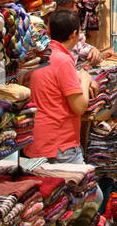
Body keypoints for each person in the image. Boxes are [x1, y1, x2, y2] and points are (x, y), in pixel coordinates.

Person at [28, 8, 90, 163]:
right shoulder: (62, 60)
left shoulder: (42, 56)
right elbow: (79, 107)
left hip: (37, 142)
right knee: (83, 186)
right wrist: (86, 79)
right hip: (59, 146)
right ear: (74, 34)